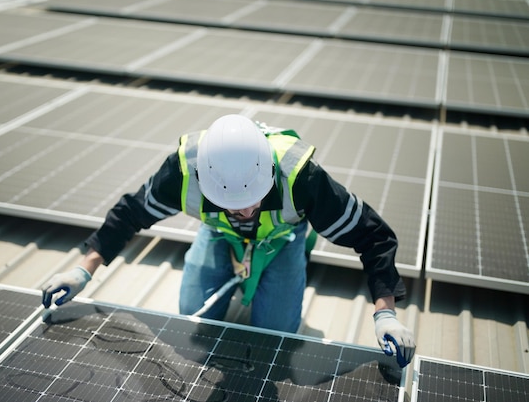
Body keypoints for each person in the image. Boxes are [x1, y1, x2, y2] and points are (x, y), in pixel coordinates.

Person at [42, 114, 416, 367]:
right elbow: (130, 212)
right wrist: (82, 270)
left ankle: (295, 255)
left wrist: (385, 313)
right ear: (207, 183)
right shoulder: (183, 170)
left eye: (251, 199)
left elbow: (374, 235)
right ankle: (227, 254)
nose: (245, 210)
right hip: (218, 235)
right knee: (193, 315)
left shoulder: (300, 176)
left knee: (277, 335)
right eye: (232, 204)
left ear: (269, 172)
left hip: (281, 239)